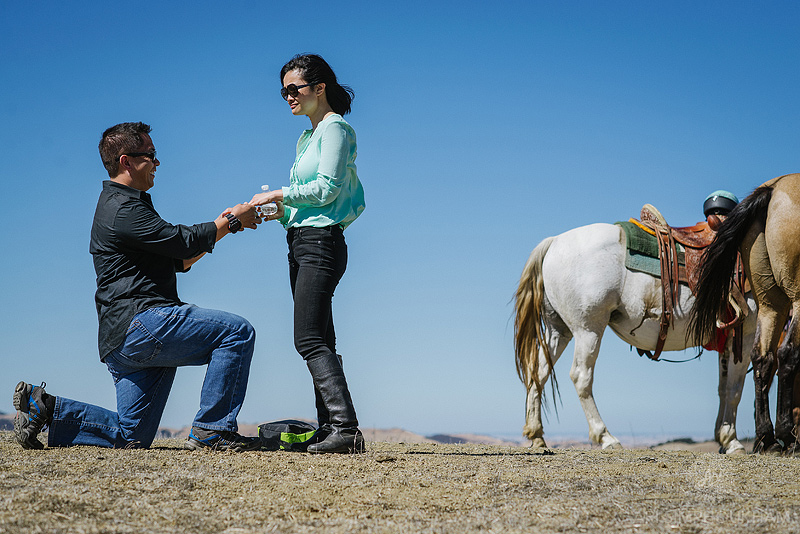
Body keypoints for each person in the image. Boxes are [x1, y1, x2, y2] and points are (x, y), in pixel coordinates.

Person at [13, 122, 263, 452]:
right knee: (236, 332)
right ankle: (212, 431)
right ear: (126, 161)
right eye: (152, 155)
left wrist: (226, 227)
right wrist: (230, 221)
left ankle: (44, 407)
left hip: (122, 339)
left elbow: (181, 260)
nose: (157, 162)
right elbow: (181, 241)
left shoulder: (126, 207)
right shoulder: (122, 208)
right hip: (142, 324)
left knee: (130, 435)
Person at [250, 54, 366, 453]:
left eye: (294, 89)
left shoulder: (336, 129)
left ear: (320, 89)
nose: (288, 97)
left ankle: (346, 430)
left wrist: (279, 193)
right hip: (301, 241)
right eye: (283, 90)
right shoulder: (305, 138)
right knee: (322, 338)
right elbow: (307, 201)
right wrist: (274, 211)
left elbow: (327, 189)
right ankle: (331, 428)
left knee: (308, 339)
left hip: (322, 243)